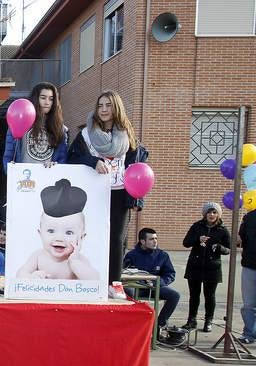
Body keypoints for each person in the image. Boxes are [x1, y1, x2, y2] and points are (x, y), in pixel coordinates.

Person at [67, 90, 148, 299]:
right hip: (93, 195)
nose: (103, 110)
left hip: (120, 194)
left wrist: (137, 198)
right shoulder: (86, 134)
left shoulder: (128, 134)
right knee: (90, 236)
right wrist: (92, 161)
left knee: (117, 239)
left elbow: (137, 166)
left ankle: (115, 283)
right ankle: (90, 280)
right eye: (100, 105)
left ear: (116, 108)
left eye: (108, 105)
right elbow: (71, 159)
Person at [17, 179, 98, 280]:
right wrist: (31, 277)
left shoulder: (79, 260)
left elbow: (95, 281)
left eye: (69, 232)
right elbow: (20, 274)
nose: (59, 238)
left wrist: (75, 263)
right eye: (51, 231)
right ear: (40, 233)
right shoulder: (38, 256)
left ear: (81, 237)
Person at [181, 202, 231, 332]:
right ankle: (191, 320)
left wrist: (219, 248)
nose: (212, 215)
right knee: (194, 295)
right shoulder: (197, 226)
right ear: (205, 214)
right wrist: (198, 240)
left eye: (214, 212)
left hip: (212, 267)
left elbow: (229, 249)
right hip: (195, 265)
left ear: (218, 215)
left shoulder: (222, 229)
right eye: (209, 212)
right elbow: (186, 243)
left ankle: (208, 320)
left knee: (210, 295)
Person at [2, 82, 69, 173]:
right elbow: (8, 156)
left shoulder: (60, 128)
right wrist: (11, 171)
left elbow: (62, 159)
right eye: (43, 98)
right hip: (24, 180)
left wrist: (56, 167)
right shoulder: (19, 122)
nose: (47, 102)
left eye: (51, 99)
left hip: (48, 180)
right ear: (35, 98)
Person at [123, 228, 180, 329]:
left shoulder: (162, 255)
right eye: (151, 239)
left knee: (174, 295)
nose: (155, 241)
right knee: (127, 292)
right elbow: (123, 273)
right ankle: (134, 325)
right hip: (136, 287)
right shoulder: (131, 255)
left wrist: (158, 283)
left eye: (156, 238)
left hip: (155, 287)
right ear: (142, 241)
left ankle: (158, 325)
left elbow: (170, 274)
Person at [238, 207, 256, 344]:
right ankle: (249, 333)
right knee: (248, 304)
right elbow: (240, 239)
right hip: (250, 265)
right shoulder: (249, 217)